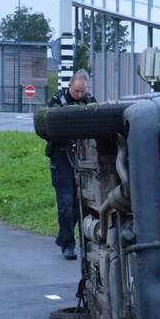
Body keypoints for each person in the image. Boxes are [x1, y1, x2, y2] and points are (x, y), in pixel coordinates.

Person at [46, 70, 96, 259]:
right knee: (66, 203)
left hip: (83, 157)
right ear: (70, 86)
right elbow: (47, 128)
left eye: (82, 92)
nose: (80, 95)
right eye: (76, 92)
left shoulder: (90, 102)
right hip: (61, 156)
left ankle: (65, 236)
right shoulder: (56, 102)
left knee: (79, 203)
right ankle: (68, 245)